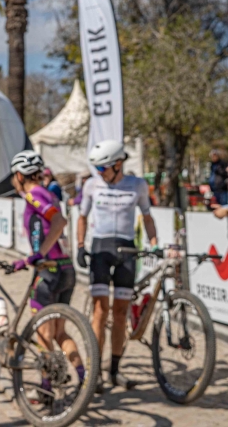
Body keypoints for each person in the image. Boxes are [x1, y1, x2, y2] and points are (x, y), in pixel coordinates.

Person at [76, 140, 162, 391]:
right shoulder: (92, 185)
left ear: (117, 164)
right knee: (100, 311)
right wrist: (80, 246)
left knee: (121, 313)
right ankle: (95, 372)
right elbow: (82, 217)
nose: (99, 173)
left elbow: (147, 217)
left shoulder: (137, 185)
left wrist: (154, 243)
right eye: (97, 169)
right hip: (101, 250)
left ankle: (114, 370)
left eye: (103, 168)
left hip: (127, 250)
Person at [9, 151, 84, 395]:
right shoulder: (49, 193)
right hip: (66, 269)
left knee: (43, 334)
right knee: (60, 333)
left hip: (49, 271)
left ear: (20, 175)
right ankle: (85, 380)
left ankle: (46, 389)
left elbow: (59, 222)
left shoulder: (33, 195)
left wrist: (38, 254)